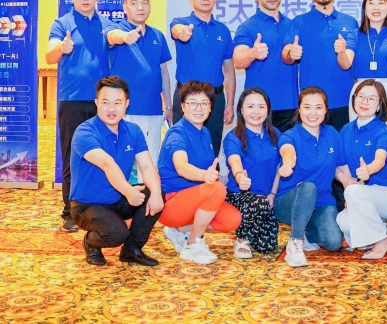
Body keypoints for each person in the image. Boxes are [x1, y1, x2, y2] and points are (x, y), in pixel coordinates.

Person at [69, 76, 163, 267]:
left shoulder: (133, 131)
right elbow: (107, 164)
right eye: (105, 102)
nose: (111, 109)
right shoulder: (85, 132)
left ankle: (131, 250)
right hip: (87, 205)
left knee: (154, 193)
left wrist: (156, 194)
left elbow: (146, 165)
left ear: (126, 104)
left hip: (117, 198)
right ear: (96, 103)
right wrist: (128, 191)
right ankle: (91, 242)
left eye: (117, 103)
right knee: (117, 234)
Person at [46, 0, 114, 232]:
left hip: (103, 103)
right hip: (72, 101)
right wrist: (61, 48)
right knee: (73, 157)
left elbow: (118, 41)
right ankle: (69, 211)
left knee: (104, 155)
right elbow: (49, 55)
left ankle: (101, 206)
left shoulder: (106, 24)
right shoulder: (61, 23)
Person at [157, 81, 242, 264]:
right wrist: (204, 176)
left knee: (232, 220)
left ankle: (179, 231)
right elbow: (181, 166)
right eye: (193, 103)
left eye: (204, 103)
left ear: (210, 108)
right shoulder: (177, 134)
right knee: (217, 189)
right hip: (171, 202)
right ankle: (192, 244)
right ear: (183, 106)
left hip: (195, 199)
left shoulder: (204, 132)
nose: (199, 108)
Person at [274, 87, 355, 267]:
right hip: (290, 201)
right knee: (309, 187)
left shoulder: (332, 134)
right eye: (307, 107)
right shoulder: (290, 135)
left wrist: (349, 188)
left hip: (322, 201)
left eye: (318, 107)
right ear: (299, 109)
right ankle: (295, 243)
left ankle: (306, 230)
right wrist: (287, 163)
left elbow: (340, 166)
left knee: (334, 242)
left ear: (326, 110)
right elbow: (287, 150)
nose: (312, 113)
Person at [107, 0, 172, 181]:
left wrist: (168, 105)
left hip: (153, 110)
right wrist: (124, 37)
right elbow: (112, 37)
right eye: (134, 3)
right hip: (125, 111)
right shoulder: (116, 29)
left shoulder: (157, 36)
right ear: (125, 7)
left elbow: (163, 72)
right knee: (125, 165)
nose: (140, 7)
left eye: (144, 3)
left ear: (150, 7)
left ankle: (147, 199)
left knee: (150, 162)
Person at [336, 80, 387, 260]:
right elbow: (339, 165)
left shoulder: (382, 130)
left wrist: (369, 169)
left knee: (354, 192)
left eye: (372, 98)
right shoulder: (345, 130)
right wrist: (347, 183)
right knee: (342, 221)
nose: (365, 102)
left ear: (379, 105)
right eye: (361, 96)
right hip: (362, 194)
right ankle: (375, 234)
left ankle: (383, 239)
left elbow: (380, 160)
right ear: (354, 99)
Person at [338, 0, 387, 168]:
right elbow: (346, 63)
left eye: (380, 3)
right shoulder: (355, 34)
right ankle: (358, 180)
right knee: (359, 140)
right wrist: (341, 52)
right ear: (364, 8)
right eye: (371, 3)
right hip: (361, 92)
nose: (376, 7)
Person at [282, 0, 359, 131]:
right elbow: (286, 52)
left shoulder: (350, 22)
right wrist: (291, 54)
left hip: (344, 101)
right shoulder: (299, 22)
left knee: (342, 145)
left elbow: (351, 61)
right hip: (312, 104)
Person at [170, 0, 235, 156]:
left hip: (215, 99)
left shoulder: (223, 30)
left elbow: (229, 70)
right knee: (182, 149)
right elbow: (176, 30)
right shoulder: (182, 22)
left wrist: (230, 103)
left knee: (212, 149)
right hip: (186, 97)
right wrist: (182, 33)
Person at [232, 0, 298, 132]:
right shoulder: (247, 27)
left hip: (290, 106)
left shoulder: (292, 25)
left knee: (288, 148)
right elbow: (237, 61)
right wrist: (252, 54)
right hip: (259, 108)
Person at [224, 88, 281, 258]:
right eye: (250, 106)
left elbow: (280, 167)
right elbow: (234, 160)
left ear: (268, 110)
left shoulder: (275, 134)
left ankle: (251, 230)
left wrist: (273, 193)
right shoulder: (233, 137)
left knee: (267, 246)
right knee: (258, 203)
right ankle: (242, 239)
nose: (256, 112)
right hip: (239, 195)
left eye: (261, 107)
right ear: (241, 110)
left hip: (267, 197)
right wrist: (239, 176)